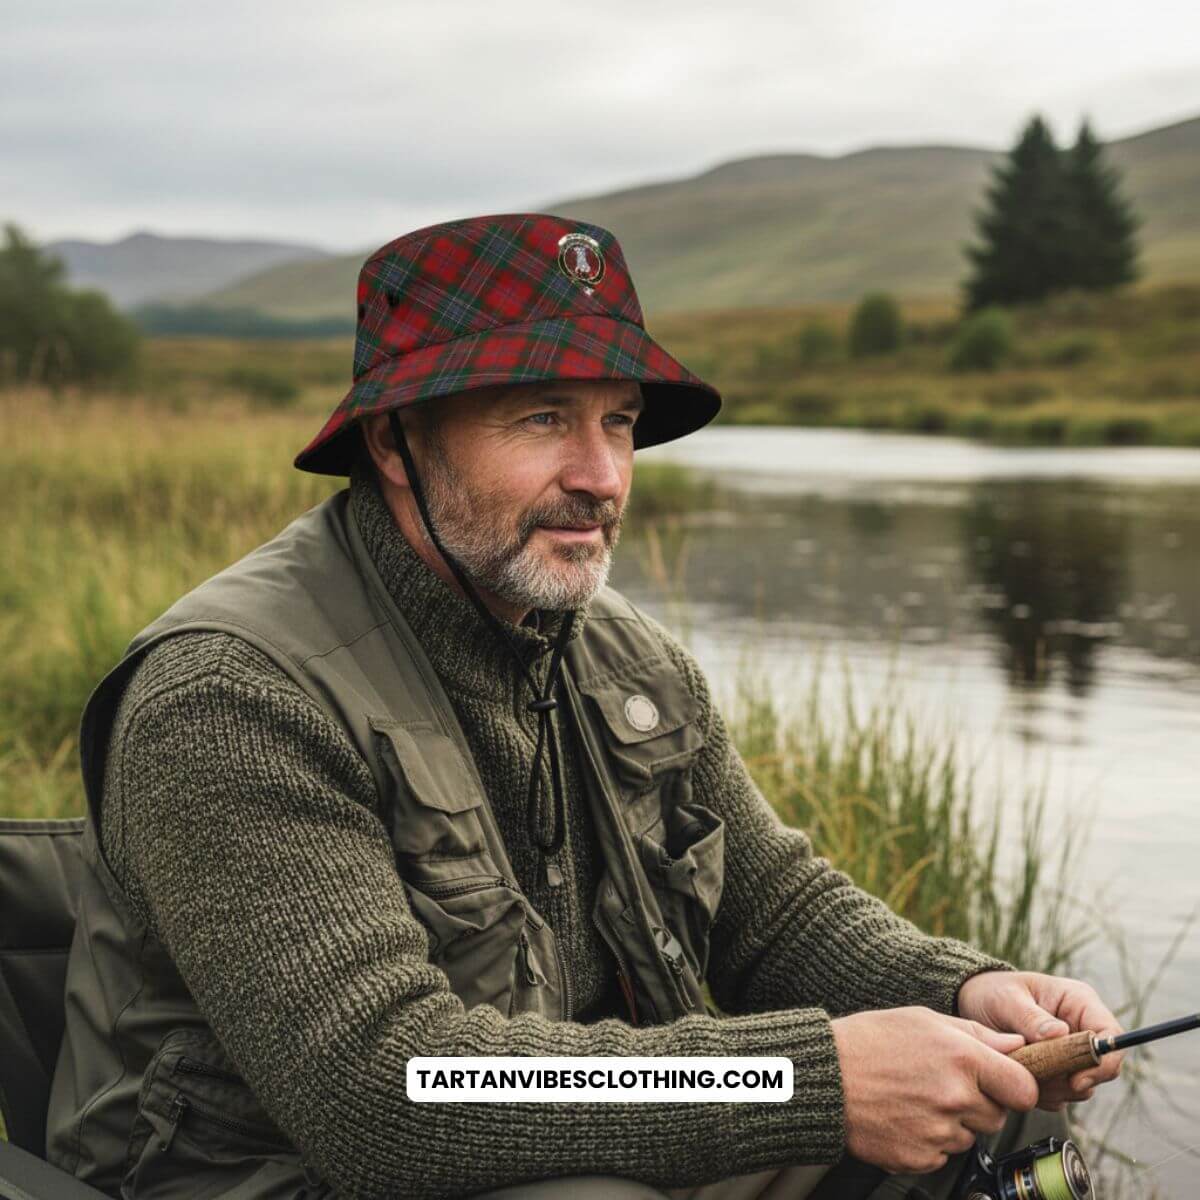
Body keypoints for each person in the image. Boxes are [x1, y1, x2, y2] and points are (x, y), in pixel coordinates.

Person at [46, 214, 1123, 1200]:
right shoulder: (230, 695)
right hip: (265, 1175)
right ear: (395, 442)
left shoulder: (624, 656)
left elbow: (770, 909)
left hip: (561, 1138)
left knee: (999, 1120)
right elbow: (390, 1091)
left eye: (619, 421)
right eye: (542, 419)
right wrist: (811, 1081)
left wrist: (962, 993)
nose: (603, 475)